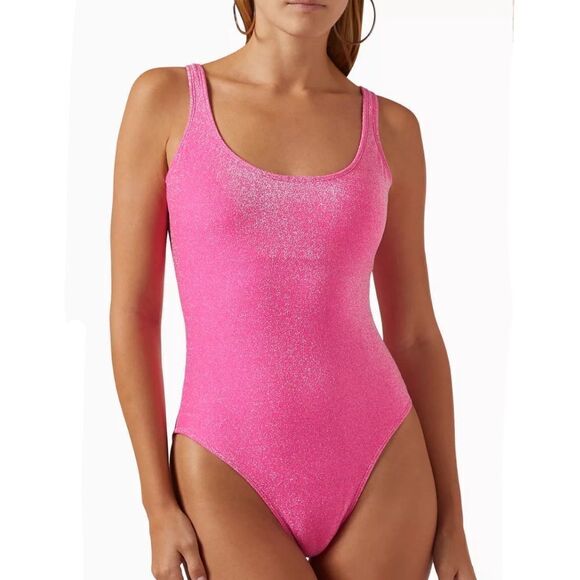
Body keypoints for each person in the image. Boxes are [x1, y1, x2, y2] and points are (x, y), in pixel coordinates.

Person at [110, 1, 477, 578]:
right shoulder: (168, 101)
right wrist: (157, 504)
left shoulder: (393, 129)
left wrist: (452, 520)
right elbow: (134, 314)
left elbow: (414, 335)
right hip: (225, 464)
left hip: (383, 460)